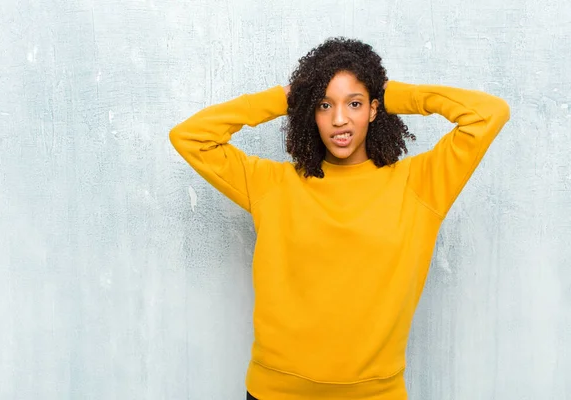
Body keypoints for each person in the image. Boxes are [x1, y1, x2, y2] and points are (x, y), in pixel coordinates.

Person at [169, 37, 510, 399]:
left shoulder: (420, 185)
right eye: (324, 104)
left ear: (374, 110)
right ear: (310, 113)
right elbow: (190, 137)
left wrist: (397, 95)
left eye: (355, 103)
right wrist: (285, 98)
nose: (339, 119)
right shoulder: (272, 184)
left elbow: (489, 113)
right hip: (275, 392)